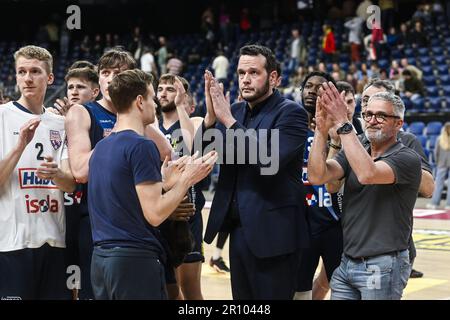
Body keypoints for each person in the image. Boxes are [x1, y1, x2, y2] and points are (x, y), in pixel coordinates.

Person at [88, 69, 217, 300]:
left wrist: (166, 184)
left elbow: (124, 202)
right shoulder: (142, 146)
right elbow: (155, 214)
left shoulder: (100, 147)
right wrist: (188, 178)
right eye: (150, 97)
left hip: (101, 260)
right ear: (139, 101)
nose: (155, 103)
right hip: (133, 260)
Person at [198, 44, 309, 299]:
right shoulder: (234, 112)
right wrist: (211, 119)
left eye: (253, 72)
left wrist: (227, 121)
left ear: (274, 78)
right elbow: (199, 154)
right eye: (240, 73)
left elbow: (268, 160)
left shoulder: (291, 113)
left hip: (275, 235)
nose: (245, 79)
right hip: (239, 231)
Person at [65, 47, 172, 300]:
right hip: (97, 224)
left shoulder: (139, 115)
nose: (111, 78)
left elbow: (167, 153)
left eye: (118, 73)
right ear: (99, 79)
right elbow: (80, 171)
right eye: (105, 72)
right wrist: (119, 134)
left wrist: (132, 124)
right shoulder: (83, 111)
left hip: (139, 224)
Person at [309, 85, 422, 300]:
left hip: (383, 264)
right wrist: (320, 131)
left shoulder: (407, 157)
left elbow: (367, 174)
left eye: (381, 116)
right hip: (347, 261)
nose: (371, 120)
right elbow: (318, 176)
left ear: (399, 123)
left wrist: (343, 123)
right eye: (368, 114)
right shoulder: (358, 146)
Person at [0, 45, 76, 299]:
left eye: (35, 71)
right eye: (22, 72)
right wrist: (20, 145)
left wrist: (56, 174)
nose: (27, 78)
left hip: (54, 241)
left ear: (50, 78)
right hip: (12, 243)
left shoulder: (60, 124)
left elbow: (71, 185)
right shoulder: (2, 117)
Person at [357, 79, 434, 279]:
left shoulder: (407, 141)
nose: (369, 106)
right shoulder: (353, 139)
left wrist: (399, 161)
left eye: (377, 100)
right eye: (365, 100)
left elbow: (428, 189)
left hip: (390, 244)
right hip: (355, 239)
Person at [156, 74, 207, 300]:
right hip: (160, 214)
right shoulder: (151, 126)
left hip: (188, 214)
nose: (164, 93)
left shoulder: (192, 121)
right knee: (169, 288)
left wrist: (181, 107)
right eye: (160, 88)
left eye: (170, 89)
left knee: (190, 288)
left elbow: (192, 145)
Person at [294, 72, 343, 301]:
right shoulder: (290, 127)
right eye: (308, 86)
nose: (312, 91)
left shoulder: (343, 129)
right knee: (300, 288)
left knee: (341, 286)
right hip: (301, 220)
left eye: (320, 87)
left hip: (334, 220)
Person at [427, 122, 450, 209]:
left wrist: (437, 162)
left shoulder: (440, 139)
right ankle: (449, 205)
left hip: (441, 164)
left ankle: (434, 203)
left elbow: (436, 153)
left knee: (438, 184)